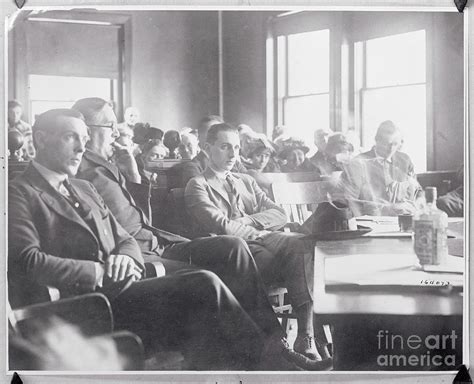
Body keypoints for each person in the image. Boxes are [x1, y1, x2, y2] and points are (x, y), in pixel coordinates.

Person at [8, 108, 310, 370]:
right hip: (89, 301)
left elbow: (125, 237)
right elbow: (26, 260)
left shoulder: (82, 187)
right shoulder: (17, 192)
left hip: (127, 278)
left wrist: (127, 256)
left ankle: (267, 359)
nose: (79, 149)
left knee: (210, 279)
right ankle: (272, 365)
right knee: (203, 283)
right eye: (69, 137)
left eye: (84, 140)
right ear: (40, 139)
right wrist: (98, 272)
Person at [185, 123, 331, 362]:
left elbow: (279, 214)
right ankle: (297, 342)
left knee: (303, 245)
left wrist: (247, 220)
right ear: (206, 148)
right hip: (230, 249)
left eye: (236, 147)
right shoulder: (197, 184)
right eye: (224, 147)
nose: (233, 154)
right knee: (301, 260)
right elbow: (221, 225)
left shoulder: (246, 181)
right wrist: (260, 232)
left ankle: (305, 336)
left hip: (260, 241)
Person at [337, 120, 421, 216]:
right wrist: (387, 208)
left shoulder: (405, 160)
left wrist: (415, 205)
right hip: (369, 223)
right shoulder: (358, 163)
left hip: (401, 221)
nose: (391, 149)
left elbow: (417, 193)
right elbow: (349, 201)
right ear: (377, 140)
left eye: (395, 144)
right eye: (387, 144)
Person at [180, 115, 247, 187]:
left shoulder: (235, 163)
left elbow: (249, 185)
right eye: (212, 132)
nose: (218, 136)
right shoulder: (193, 167)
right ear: (199, 138)